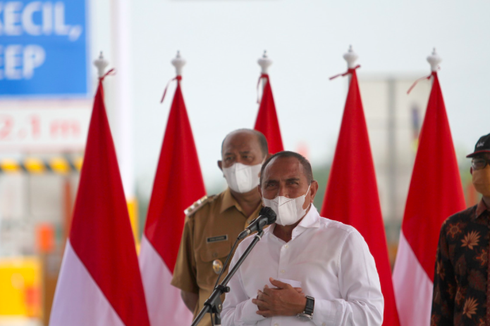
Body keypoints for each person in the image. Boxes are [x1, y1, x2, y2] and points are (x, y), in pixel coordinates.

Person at [221, 151, 384, 326]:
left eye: (292, 183)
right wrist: (258, 306)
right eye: (271, 185)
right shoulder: (247, 247)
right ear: (261, 193)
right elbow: (226, 318)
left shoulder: (343, 239)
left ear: (312, 190)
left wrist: (306, 306)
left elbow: (370, 316)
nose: (281, 193)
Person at [171, 129, 269, 326]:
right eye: (229, 158)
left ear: (267, 162)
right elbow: (189, 291)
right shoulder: (200, 217)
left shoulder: (283, 213)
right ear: (221, 166)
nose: (237, 164)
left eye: (246, 157)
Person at [431, 133, 490, 325]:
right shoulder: (454, 228)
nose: (486, 169)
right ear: (472, 170)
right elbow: (442, 303)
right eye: (480, 162)